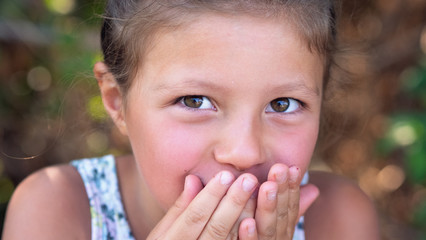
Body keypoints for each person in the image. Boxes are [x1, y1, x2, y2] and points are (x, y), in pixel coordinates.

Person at [2, 0, 380, 239]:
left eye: (282, 105)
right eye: (194, 100)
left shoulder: (337, 220)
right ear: (117, 102)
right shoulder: (57, 210)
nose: (245, 152)